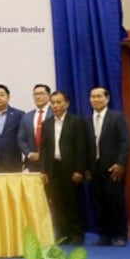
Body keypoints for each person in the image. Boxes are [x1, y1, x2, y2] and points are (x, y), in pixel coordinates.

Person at [40, 91, 88, 245]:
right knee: (57, 202)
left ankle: (77, 235)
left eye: (59, 102)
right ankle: (62, 234)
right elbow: (44, 149)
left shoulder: (76, 122)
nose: (56, 105)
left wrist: (79, 170)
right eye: (53, 102)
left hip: (71, 168)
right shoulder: (47, 124)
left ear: (67, 103)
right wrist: (43, 170)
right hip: (53, 169)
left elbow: (82, 148)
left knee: (73, 202)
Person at [87, 86, 130, 247]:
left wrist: (120, 163)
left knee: (116, 202)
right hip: (94, 168)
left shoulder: (116, 117)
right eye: (93, 97)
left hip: (113, 168)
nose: (96, 100)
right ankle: (104, 235)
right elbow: (86, 146)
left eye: (99, 96)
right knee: (99, 203)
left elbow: (125, 142)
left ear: (107, 98)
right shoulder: (87, 120)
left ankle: (120, 235)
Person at [17, 84, 53, 172]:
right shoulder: (27, 117)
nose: (38, 97)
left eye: (41, 94)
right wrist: (28, 153)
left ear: (49, 96)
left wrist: (43, 155)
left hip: (51, 162)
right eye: (35, 94)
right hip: (32, 163)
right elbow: (21, 139)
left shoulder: (55, 114)